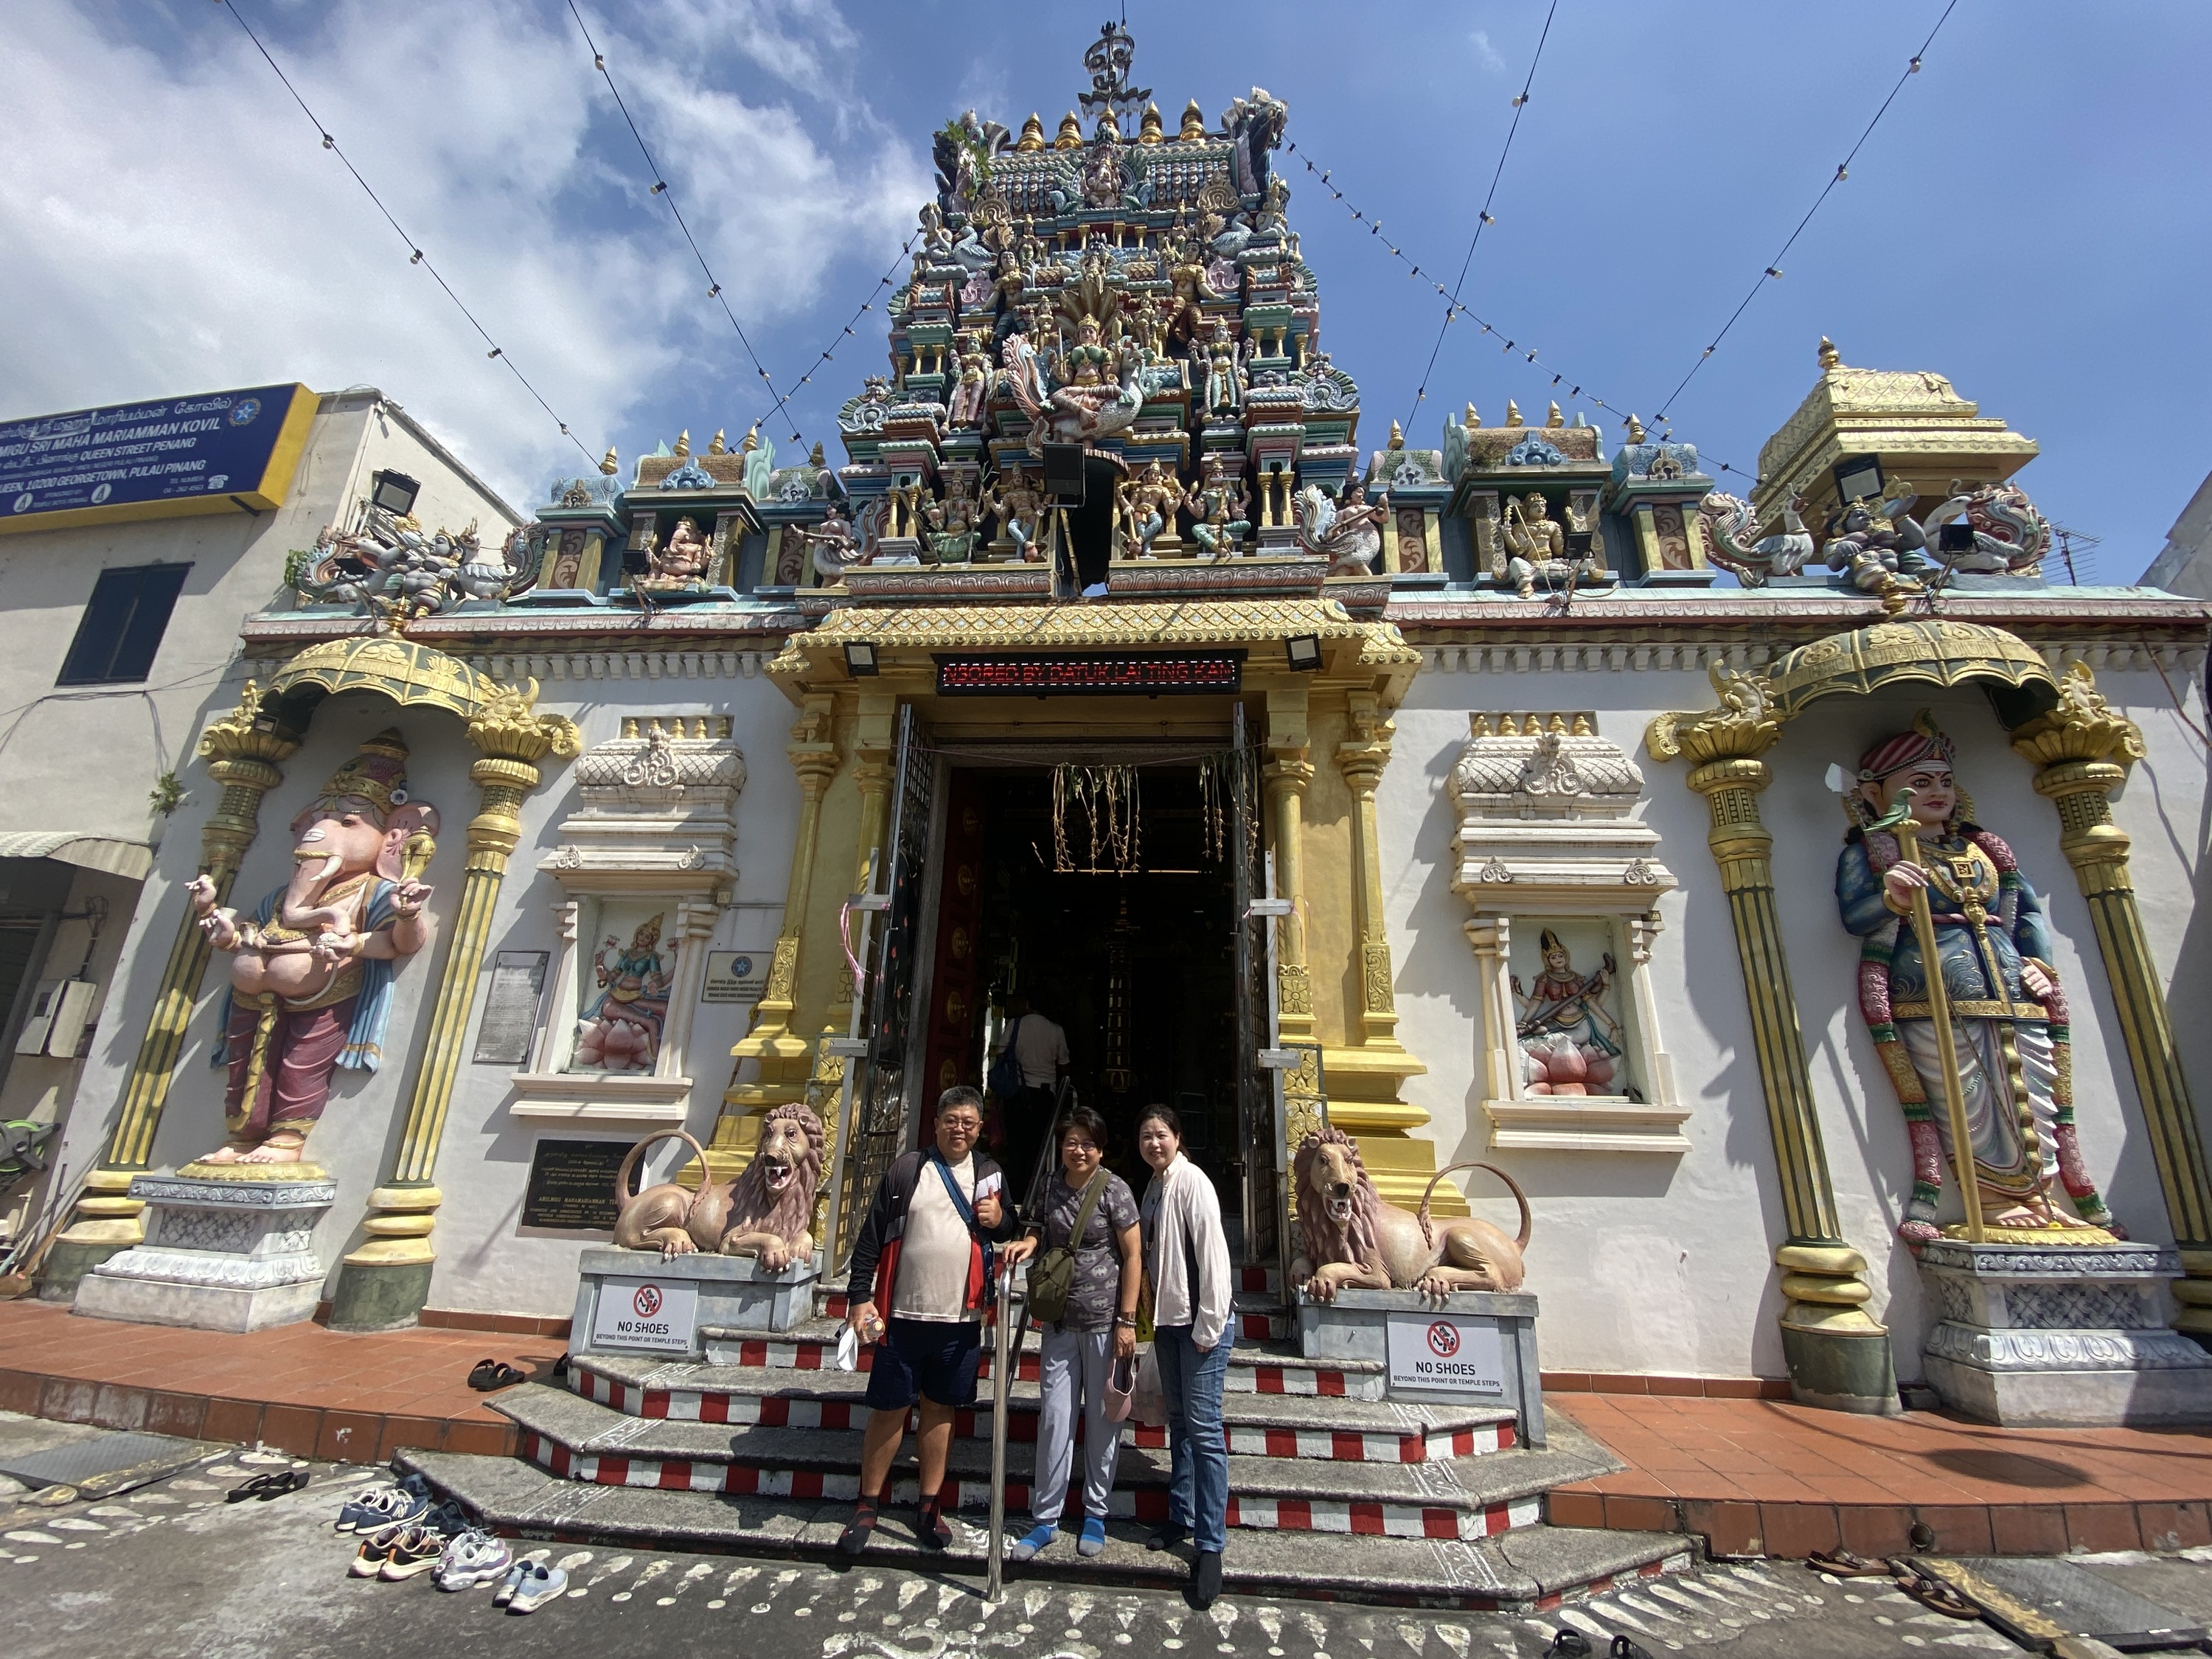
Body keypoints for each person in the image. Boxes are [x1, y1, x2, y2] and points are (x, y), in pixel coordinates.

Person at [838, 1088, 1033, 1555]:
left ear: (980, 1127)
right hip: (902, 1314)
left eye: (968, 1121)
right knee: (889, 1409)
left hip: (961, 1318)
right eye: (951, 1119)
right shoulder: (908, 1170)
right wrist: (860, 1298)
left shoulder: (990, 1174)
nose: (959, 1128)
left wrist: (1000, 1219)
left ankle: (929, 1505)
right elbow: (871, 1237)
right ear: (937, 1121)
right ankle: (867, 1503)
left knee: (940, 1409)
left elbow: (1007, 1231)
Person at [1010, 1105, 1142, 1562]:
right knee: (1055, 1419)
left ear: (1101, 1148)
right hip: (1061, 1321)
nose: (1078, 1150)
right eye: (1071, 1141)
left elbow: (1133, 1258)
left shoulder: (1115, 1191)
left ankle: (1095, 1514)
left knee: (1104, 1423)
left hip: (1106, 1323)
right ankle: (1045, 1518)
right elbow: (1041, 1233)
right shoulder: (1049, 1187)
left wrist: (1127, 1322)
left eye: (1088, 1143)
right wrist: (1028, 1243)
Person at [1135, 1104, 1232, 1608]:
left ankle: (1211, 1544)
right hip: (1171, 1323)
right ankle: (1180, 1514)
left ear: (1178, 1137)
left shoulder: (1192, 1181)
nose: (1154, 1143)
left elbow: (1213, 1252)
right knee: (1179, 1421)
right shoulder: (1154, 1185)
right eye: (1146, 1136)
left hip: (1198, 1324)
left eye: (1161, 1135)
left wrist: (1210, 1324)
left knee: (1205, 1429)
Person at [993, 992, 1069, 1200]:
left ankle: (1016, 1193)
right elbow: (1064, 1065)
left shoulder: (1015, 1025)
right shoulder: (1056, 1030)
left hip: (1017, 1093)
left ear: (1028, 1004)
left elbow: (1000, 1053)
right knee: (1041, 1147)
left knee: (1017, 1146)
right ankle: (1038, 1194)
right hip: (1045, 1096)